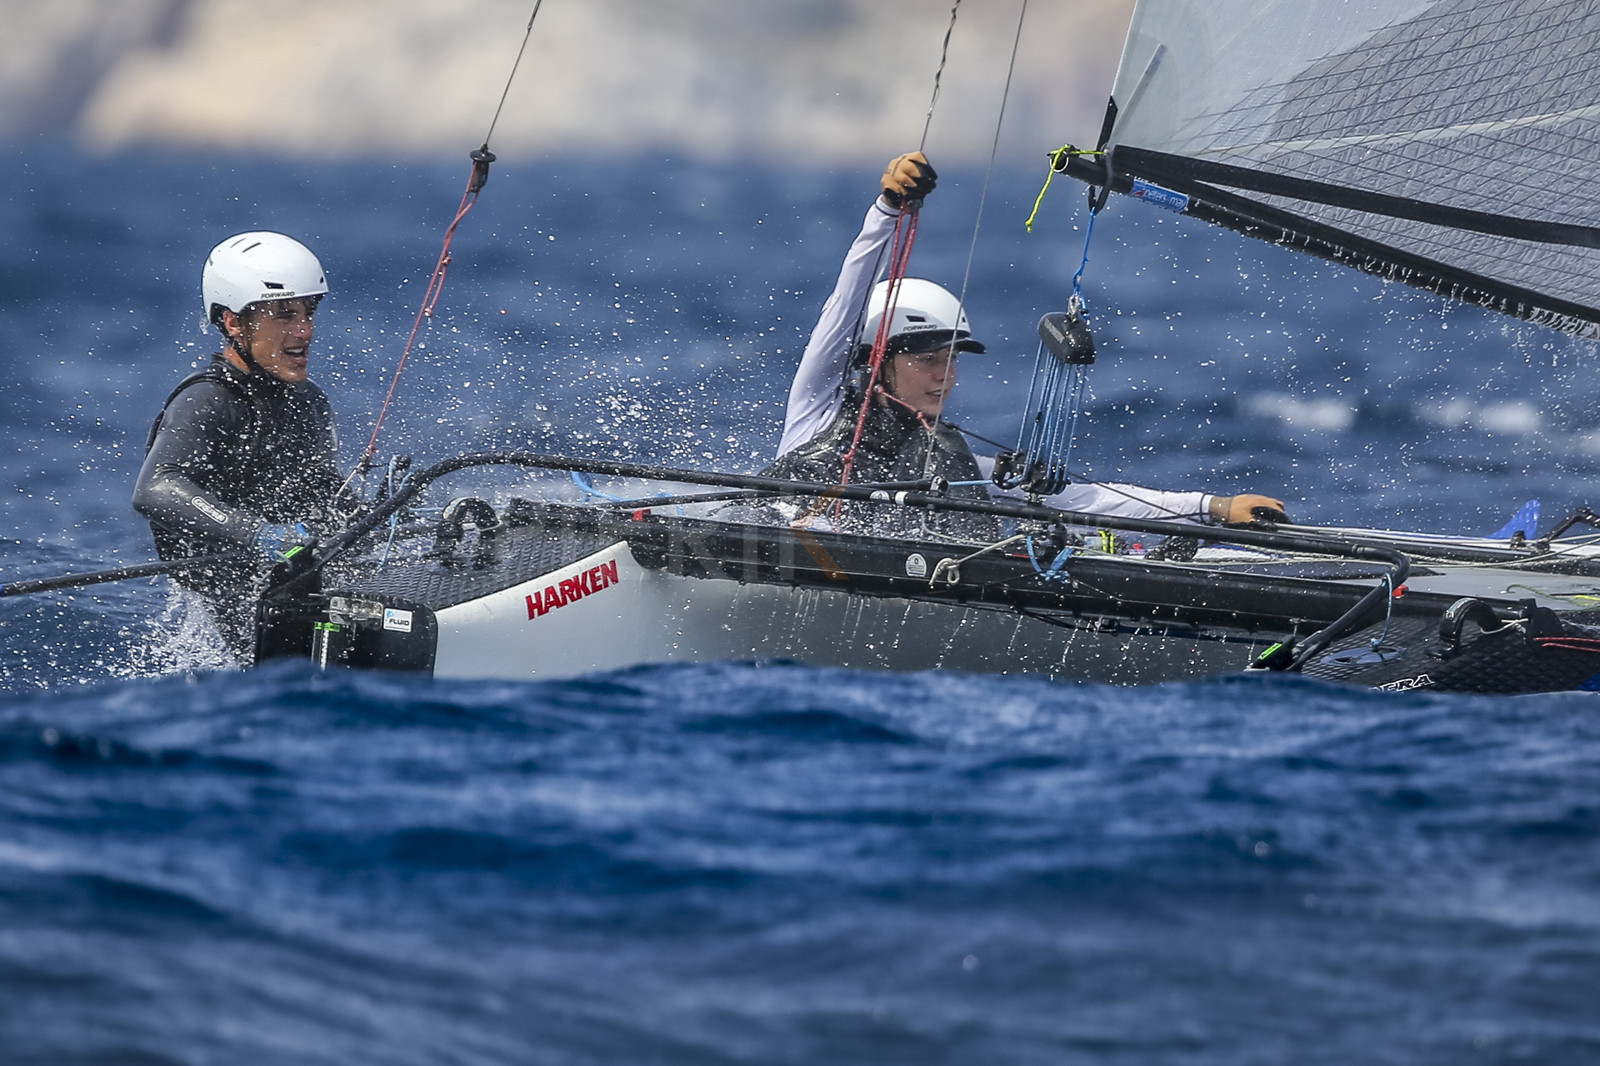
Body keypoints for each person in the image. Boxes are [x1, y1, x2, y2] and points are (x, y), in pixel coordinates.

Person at [768, 151, 1287, 537]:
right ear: (876, 362)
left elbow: (1084, 498)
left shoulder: (949, 465)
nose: (944, 376)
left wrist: (1210, 507)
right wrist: (888, 210)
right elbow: (847, 300)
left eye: (950, 361)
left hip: (904, 578)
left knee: (965, 465)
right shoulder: (819, 406)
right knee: (944, 449)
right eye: (927, 360)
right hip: (780, 551)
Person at [133, 231, 345, 657]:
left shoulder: (309, 402)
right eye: (284, 316)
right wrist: (259, 534)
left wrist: (375, 518)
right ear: (233, 323)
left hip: (301, 593)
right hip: (240, 609)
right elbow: (154, 488)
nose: (304, 331)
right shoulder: (207, 399)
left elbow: (322, 490)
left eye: (308, 313)